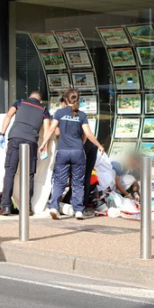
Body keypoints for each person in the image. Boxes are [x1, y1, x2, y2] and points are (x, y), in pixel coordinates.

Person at [39, 88, 105, 220]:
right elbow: (87, 134)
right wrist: (99, 145)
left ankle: (54, 207)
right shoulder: (81, 115)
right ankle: (78, 210)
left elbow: (52, 129)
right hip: (78, 152)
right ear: (77, 100)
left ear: (65, 100)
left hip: (63, 151)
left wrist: (43, 144)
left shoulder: (59, 112)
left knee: (59, 181)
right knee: (78, 182)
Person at [0, 91, 50, 215]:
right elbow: (47, 129)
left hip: (14, 138)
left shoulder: (20, 102)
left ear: (29, 97)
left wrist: (2, 133)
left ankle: (5, 206)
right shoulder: (43, 109)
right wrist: (45, 146)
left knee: (10, 172)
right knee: (29, 175)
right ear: (40, 101)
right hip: (31, 141)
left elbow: (8, 116)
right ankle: (27, 207)